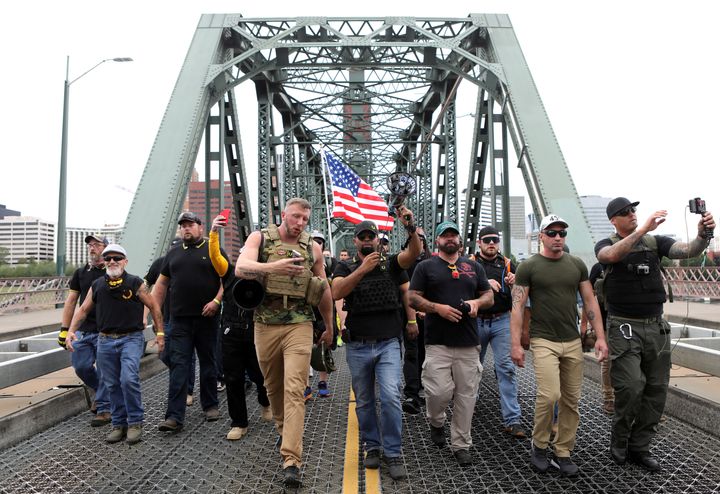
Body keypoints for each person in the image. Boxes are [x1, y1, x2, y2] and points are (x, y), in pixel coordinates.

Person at [595, 197, 715, 471]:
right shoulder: (606, 244)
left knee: (656, 390)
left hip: (655, 327)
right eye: (624, 213)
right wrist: (641, 230)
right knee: (630, 387)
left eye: (633, 210)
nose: (632, 214)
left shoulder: (655, 242)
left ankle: (640, 447)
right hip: (624, 327)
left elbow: (687, 251)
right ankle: (620, 442)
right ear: (614, 220)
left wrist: (702, 234)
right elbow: (610, 257)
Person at [234, 197, 334, 489]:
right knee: (273, 387)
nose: (300, 223)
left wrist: (329, 326)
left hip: (299, 324)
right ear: (283, 215)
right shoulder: (261, 238)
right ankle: (283, 428)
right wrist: (272, 268)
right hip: (265, 324)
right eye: (295, 217)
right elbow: (241, 267)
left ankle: (291, 460)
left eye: (305, 219)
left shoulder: (312, 247)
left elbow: (323, 287)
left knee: (294, 389)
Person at [510, 214, 608, 477]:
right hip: (544, 341)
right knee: (549, 395)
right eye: (552, 233)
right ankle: (540, 445)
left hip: (572, 341)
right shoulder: (528, 267)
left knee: (572, 400)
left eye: (562, 233)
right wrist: (516, 344)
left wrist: (600, 336)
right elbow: (518, 307)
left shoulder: (576, 265)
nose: (557, 238)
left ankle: (563, 450)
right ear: (541, 235)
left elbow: (590, 302)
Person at [331, 209, 421, 481]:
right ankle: (372, 446)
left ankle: (393, 452)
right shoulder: (343, 267)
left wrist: (410, 228)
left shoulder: (392, 263)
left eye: (371, 236)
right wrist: (362, 269)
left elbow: (413, 254)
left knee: (392, 397)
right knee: (365, 401)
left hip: (388, 344)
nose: (367, 240)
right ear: (355, 242)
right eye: (362, 237)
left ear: (377, 238)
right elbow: (336, 291)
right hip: (358, 345)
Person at [408, 220, 494, 467]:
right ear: (437, 240)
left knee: (467, 396)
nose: (450, 239)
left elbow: (487, 294)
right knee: (438, 392)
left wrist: (477, 303)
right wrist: (438, 309)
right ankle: (436, 421)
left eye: (453, 235)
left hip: (468, 343)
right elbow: (413, 297)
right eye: (445, 235)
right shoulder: (426, 267)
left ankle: (461, 444)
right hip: (438, 342)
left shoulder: (473, 267)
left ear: (459, 240)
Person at [66, 244, 164, 444]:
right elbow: (83, 309)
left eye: (117, 258)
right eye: (108, 258)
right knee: (111, 384)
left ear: (125, 261)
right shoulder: (98, 285)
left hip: (131, 338)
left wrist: (160, 333)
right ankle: (119, 424)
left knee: (128, 379)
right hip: (105, 340)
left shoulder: (135, 283)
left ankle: (135, 422)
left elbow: (153, 305)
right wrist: (69, 331)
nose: (112, 261)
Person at [153, 212, 226, 432]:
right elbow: (161, 286)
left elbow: (226, 279)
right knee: (178, 367)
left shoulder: (213, 249)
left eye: (190, 225)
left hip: (208, 319)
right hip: (179, 321)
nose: (186, 229)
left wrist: (216, 301)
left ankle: (210, 405)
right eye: (183, 226)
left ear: (200, 228)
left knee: (208, 363)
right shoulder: (173, 255)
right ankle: (174, 417)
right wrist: (157, 321)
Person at [208, 215, 272, 440]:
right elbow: (215, 256)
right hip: (230, 333)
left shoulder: (265, 275)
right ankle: (239, 423)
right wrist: (214, 233)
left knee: (261, 374)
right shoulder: (229, 272)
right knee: (233, 378)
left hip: (257, 331)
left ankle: (266, 402)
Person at [475, 226, 525, 438]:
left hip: (501, 320)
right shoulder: (469, 263)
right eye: (487, 240)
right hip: (476, 320)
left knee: (506, 368)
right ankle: (466, 413)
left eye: (495, 239)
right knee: (471, 368)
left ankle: (512, 420)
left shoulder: (507, 263)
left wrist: (515, 284)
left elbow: (520, 296)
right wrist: (483, 283)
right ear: (479, 243)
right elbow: (458, 288)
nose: (492, 243)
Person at [59, 234, 111, 427]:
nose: (92, 248)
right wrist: (65, 330)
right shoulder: (80, 273)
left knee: (106, 369)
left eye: (96, 245)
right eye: (90, 245)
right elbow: (71, 301)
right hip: (83, 329)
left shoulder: (113, 271)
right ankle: (102, 391)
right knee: (81, 366)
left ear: (105, 248)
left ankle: (105, 409)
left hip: (105, 330)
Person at [144, 238, 198, 407]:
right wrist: (144, 314)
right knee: (164, 354)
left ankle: (187, 390)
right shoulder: (160, 264)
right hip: (164, 318)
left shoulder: (190, 262)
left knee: (186, 356)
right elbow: (146, 289)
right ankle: (181, 377)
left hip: (183, 317)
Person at [400, 227, 431, 415]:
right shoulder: (404, 261)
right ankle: (412, 393)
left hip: (430, 316)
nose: (417, 240)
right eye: (413, 238)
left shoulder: (432, 262)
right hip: (409, 316)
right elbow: (403, 290)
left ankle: (426, 390)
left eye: (420, 237)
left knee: (428, 354)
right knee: (412, 352)